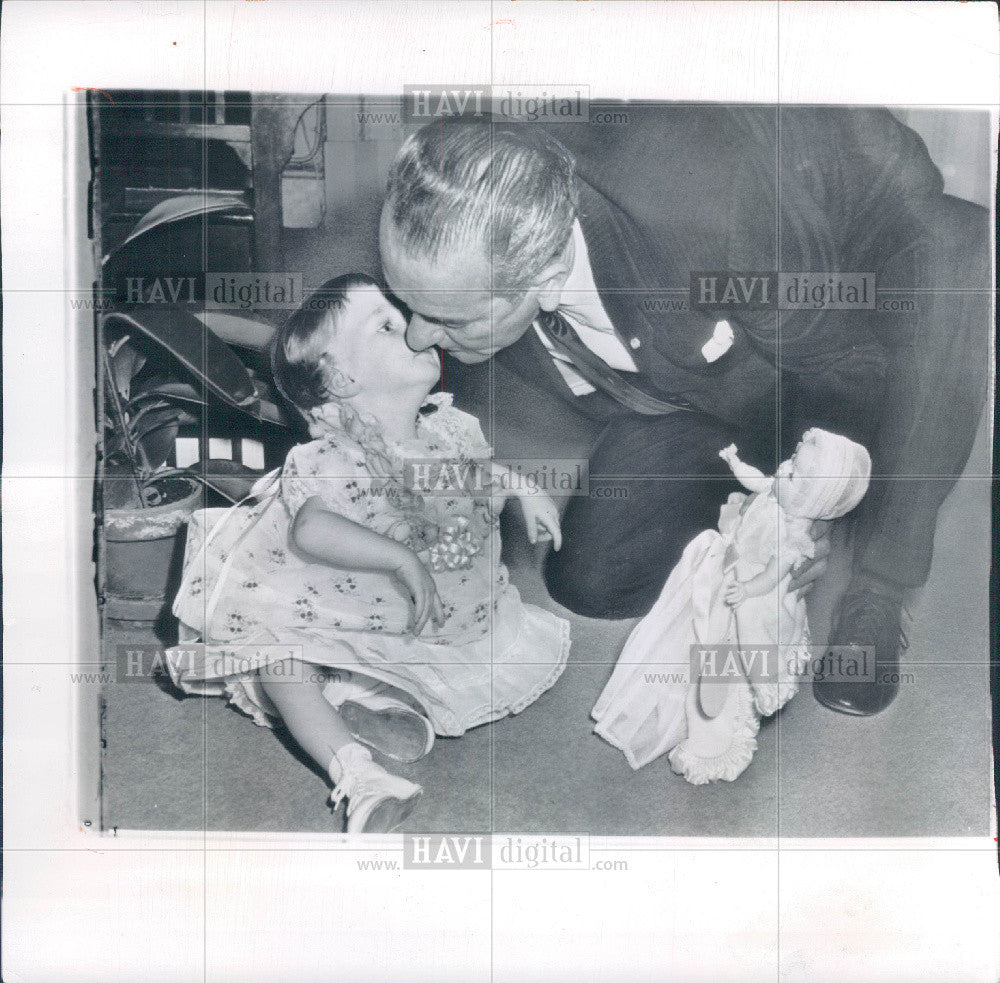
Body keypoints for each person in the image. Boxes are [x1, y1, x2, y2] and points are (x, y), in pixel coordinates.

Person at [379, 107, 989, 716]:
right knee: (590, 578)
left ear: (546, 274)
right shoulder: (473, 234)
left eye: (446, 320)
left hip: (859, 260)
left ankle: (877, 592)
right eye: (408, 306)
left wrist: (816, 503)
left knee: (952, 268)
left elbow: (844, 366)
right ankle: (748, 491)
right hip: (713, 354)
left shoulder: (715, 217)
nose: (414, 337)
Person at [167, 274, 570, 833]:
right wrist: (400, 559)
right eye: (386, 326)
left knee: (394, 664)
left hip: (426, 621)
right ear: (341, 377)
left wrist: (520, 486)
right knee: (276, 659)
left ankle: (367, 699)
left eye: (403, 316)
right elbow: (311, 530)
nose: (412, 331)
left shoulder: (449, 430)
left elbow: (473, 473)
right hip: (331, 606)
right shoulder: (332, 458)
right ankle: (358, 775)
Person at [591, 429, 872, 783]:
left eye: (795, 474)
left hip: (749, 597)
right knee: (692, 631)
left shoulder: (793, 538)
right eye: (790, 462)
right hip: (726, 567)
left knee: (727, 653)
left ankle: (715, 733)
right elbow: (758, 480)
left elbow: (772, 577)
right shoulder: (779, 491)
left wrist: (746, 589)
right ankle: (683, 690)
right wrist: (735, 462)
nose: (783, 469)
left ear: (815, 504)